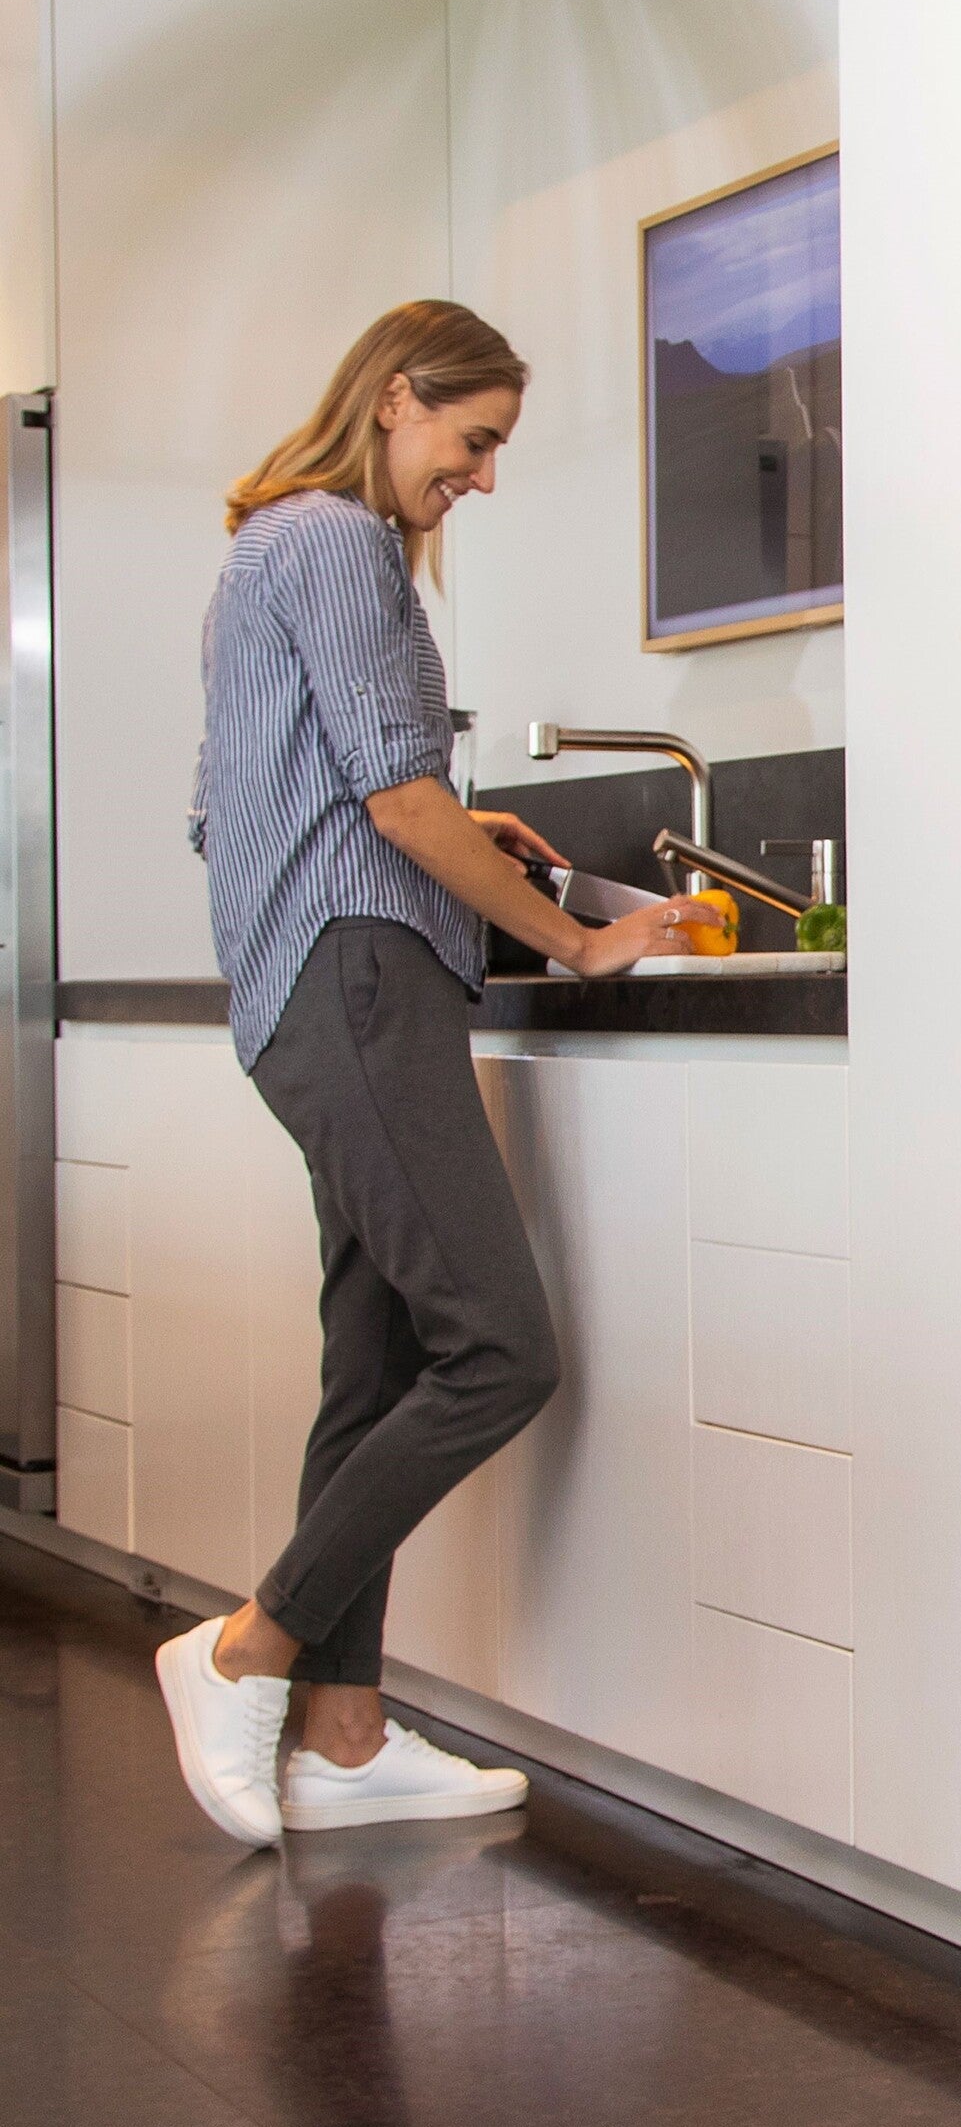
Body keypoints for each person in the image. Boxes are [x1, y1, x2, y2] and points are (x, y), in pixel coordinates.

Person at [153, 300, 708, 1846]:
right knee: (501, 1353)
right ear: (396, 398)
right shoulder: (336, 540)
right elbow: (394, 805)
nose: (483, 476)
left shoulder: (275, 546)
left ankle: (342, 1738)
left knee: (381, 1359)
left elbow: (267, 802)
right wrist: (575, 939)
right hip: (356, 979)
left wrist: (466, 834)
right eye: (475, 440)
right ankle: (245, 1650)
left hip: (326, 976)